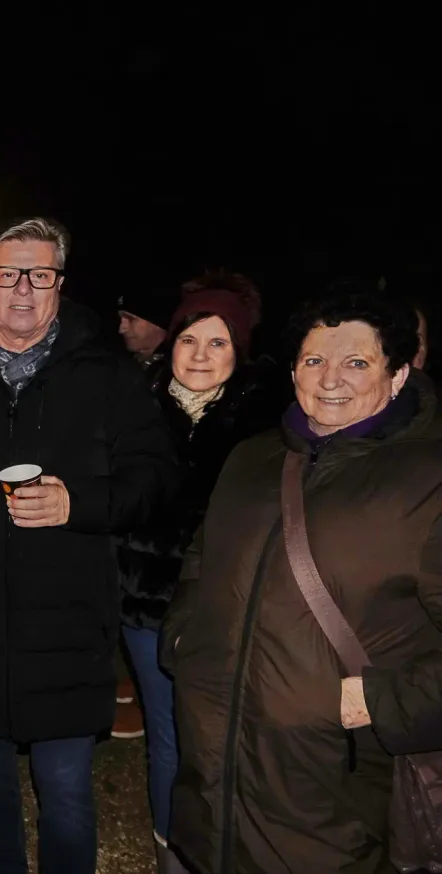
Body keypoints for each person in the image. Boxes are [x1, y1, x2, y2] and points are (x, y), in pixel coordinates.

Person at [0, 218, 177, 874]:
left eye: (40, 274)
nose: (23, 289)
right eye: (8, 273)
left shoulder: (107, 375)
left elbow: (156, 479)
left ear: (60, 284)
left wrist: (78, 504)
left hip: (68, 623)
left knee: (64, 793)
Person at [163, 290, 442, 874]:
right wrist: (183, 637)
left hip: (333, 797)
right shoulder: (253, 457)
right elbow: (201, 554)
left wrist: (387, 701)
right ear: (293, 371)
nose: (330, 378)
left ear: (397, 376)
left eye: (357, 362)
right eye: (315, 360)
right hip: (213, 773)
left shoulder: (427, 481)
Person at [116, 285, 278, 872]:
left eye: (219, 341)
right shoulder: (135, 411)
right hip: (145, 608)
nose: (202, 354)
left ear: (240, 351)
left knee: (227, 739)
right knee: (168, 737)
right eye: (189, 339)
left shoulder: (265, 427)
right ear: (171, 344)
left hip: (231, 614)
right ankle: (173, 851)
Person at [117, 288, 176, 367]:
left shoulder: (178, 371)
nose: (121, 329)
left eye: (131, 319)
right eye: (121, 319)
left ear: (157, 322)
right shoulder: (117, 363)